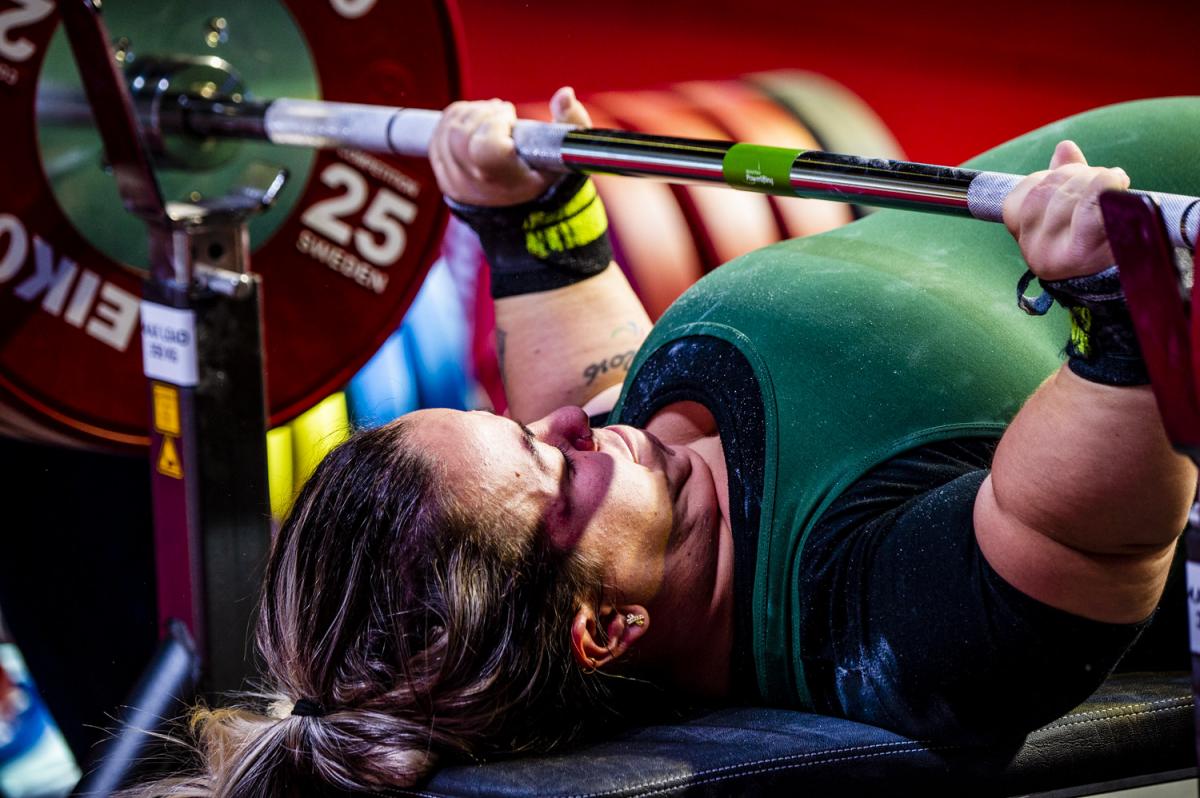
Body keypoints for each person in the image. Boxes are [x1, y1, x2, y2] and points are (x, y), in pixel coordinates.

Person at [136, 90, 1196, 795]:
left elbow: (587, 380)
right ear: (602, 630)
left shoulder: (628, 500)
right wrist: (1120, 301)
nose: (567, 426)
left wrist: (531, 223)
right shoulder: (881, 618)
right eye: (557, 466)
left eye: (513, 425)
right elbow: (1081, 528)